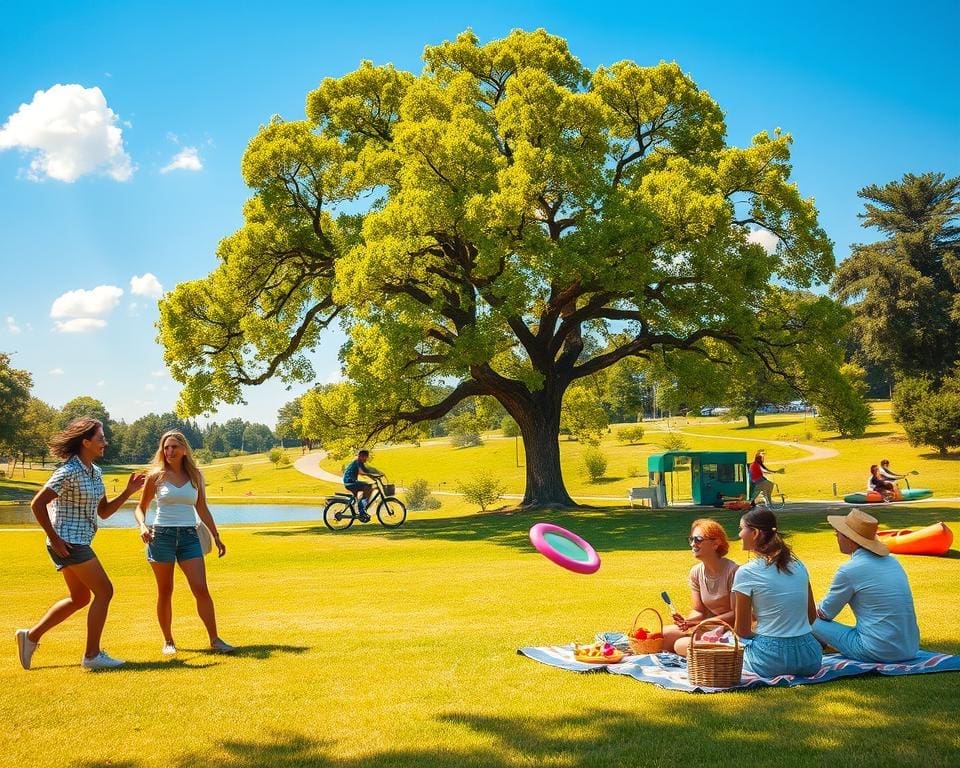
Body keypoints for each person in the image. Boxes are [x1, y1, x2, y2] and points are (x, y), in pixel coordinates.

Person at [16, 418, 145, 671]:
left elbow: (105, 512)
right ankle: (92, 655)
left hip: (78, 540)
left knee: (80, 597)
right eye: (101, 438)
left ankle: (30, 637)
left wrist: (128, 492)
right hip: (68, 542)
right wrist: (54, 538)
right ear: (85, 442)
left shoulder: (96, 473)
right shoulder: (69, 471)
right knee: (105, 591)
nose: (105, 442)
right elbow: (37, 504)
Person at [134, 430, 234, 656]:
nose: (169, 451)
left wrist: (216, 535)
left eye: (173, 447)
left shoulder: (195, 476)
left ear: (184, 449)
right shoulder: (155, 476)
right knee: (165, 590)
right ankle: (168, 640)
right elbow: (140, 508)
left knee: (201, 589)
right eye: (165, 447)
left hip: (190, 536)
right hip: (161, 537)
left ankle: (215, 640)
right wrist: (142, 525)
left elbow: (202, 508)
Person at [812, 509, 920, 662]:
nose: (836, 537)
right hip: (909, 648)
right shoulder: (893, 562)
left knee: (805, 617)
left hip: (877, 651)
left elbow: (824, 613)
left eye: (838, 533)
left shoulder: (849, 570)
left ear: (850, 539)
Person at [731, 507, 821, 677]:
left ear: (755, 533)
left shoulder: (746, 572)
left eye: (741, 529)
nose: (740, 534)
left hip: (770, 660)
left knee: (732, 643)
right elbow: (811, 617)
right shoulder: (799, 566)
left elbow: (742, 630)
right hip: (809, 657)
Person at [662, 519, 739, 657]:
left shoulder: (734, 572)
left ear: (716, 544)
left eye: (698, 539)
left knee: (680, 645)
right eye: (691, 539)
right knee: (663, 635)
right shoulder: (696, 572)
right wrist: (688, 622)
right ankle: (702, 651)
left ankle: (720, 653)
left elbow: (736, 614)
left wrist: (704, 624)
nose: (692, 544)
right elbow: (698, 611)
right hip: (707, 627)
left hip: (732, 629)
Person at [342, 449, 381, 522]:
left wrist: (375, 477)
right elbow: (361, 472)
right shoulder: (357, 462)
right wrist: (372, 476)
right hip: (350, 483)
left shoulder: (360, 463)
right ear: (361, 456)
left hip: (350, 482)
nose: (366, 459)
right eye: (365, 457)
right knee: (367, 486)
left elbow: (366, 472)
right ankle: (362, 509)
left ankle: (362, 509)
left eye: (367, 457)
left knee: (367, 487)